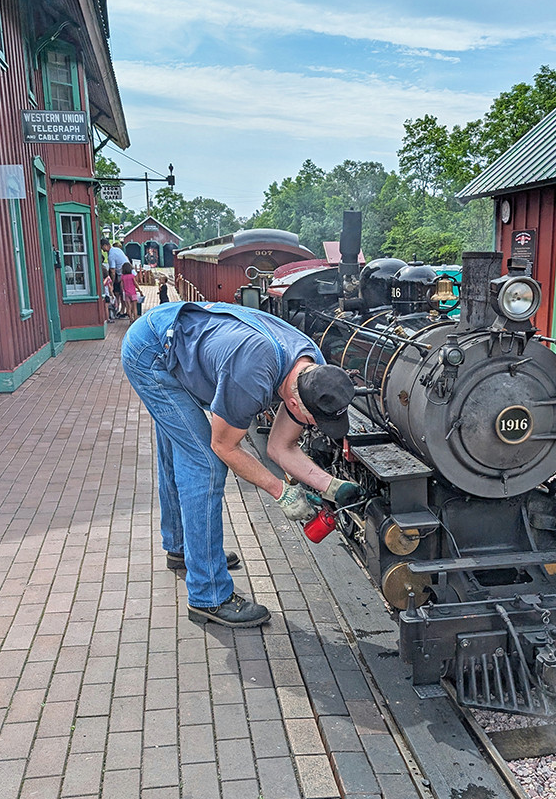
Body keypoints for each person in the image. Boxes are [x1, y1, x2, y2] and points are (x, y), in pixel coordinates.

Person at [120, 301, 362, 628]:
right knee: (204, 463)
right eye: (314, 420)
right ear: (294, 403)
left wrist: (332, 486)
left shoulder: (313, 369)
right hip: (152, 353)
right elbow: (224, 446)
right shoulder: (251, 372)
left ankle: (185, 551)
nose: (315, 426)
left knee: (179, 445)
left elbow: (280, 447)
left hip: (181, 338)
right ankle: (209, 595)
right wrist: (282, 492)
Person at [101, 238, 128, 318]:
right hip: (128, 272)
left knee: (122, 294)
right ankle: (123, 311)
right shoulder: (117, 250)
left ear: (105, 246)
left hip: (122, 274)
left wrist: (111, 283)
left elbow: (112, 270)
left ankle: (124, 312)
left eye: (102, 248)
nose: (103, 250)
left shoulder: (111, 255)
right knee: (123, 294)